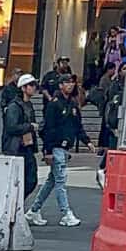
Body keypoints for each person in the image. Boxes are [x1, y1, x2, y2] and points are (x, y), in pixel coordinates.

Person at [26, 73, 89, 227]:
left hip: (64, 146)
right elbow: (48, 129)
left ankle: (34, 210)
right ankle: (66, 212)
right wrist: (47, 150)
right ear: (60, 85)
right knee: (60, 180)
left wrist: (86, 141)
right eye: (67, 82)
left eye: (71, 82)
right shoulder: (54, 105)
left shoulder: (72, 104)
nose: (70, 84)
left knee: (52, 180)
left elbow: (77, 125)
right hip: (56, 146)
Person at [4, 74, 40, 199]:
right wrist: (29, 126)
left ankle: (17, 203)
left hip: (27, 147)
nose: (34, 88)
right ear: (23, 88)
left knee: (31, 180)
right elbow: (11, 127)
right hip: (16, 148)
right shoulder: (14, 106)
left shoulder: (29, 105)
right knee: (20, 180)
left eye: (34, 85)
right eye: (31, 85)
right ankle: (15, 205)